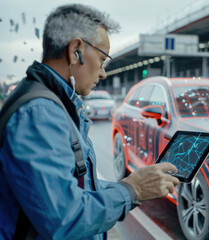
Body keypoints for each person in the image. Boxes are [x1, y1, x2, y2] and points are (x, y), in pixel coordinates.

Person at [0, 4, 179, 240]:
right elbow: (66, 219)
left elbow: (75, 190)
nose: (104, 73)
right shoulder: (39, 114)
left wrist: (134, 184)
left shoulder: (52, 102)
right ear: (76, 50)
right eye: (103, 59)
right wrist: (133, 189)